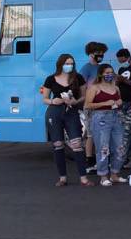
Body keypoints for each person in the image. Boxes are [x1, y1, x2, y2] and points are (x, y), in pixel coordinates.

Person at [40, 54, 93, 186]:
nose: (69, 66)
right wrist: (53, 100)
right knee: (58, 144)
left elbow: (84, 96)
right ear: (60, 64)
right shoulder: (50, 79)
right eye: (67, 63)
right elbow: (44, 99)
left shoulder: (78, 78)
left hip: (71, 112)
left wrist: (75, 101)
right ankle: (62, 178)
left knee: (77, 144)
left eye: (71, 63)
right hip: (54, 112)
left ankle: (83, 178)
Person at [84, 64, 126, 186]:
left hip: (116, 117)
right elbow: (87, 105)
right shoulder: (94, 87)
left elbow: (119, 102)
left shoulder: (116, 88)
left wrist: (119, 102)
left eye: (111, 72)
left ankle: (114, 174)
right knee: (103, 148)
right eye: (107, 72)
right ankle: (103, 176)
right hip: (100, 118)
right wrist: (105, 103)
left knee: (120, 147)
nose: (109, 75)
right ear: (101, 74)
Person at [79, 41, 107, 173]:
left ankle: (98, 161)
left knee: (100, 135)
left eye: (102, 53)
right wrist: (86, 102)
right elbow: (81, 87)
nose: (100, 55)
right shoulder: (86, 68)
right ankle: (89, 161)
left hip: (102, 106)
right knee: (91, 134)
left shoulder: (101, 68)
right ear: (90, 54)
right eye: (98, 53)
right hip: (90, 106)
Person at [115, 47, 131, 169]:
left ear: (127, 57)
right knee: (122, 132)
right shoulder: (121, 69)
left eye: (122, 60)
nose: (121, 63)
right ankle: (124, 158)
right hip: (122, 104)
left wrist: (124, 80)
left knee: (128, 131)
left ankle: (130, 159)